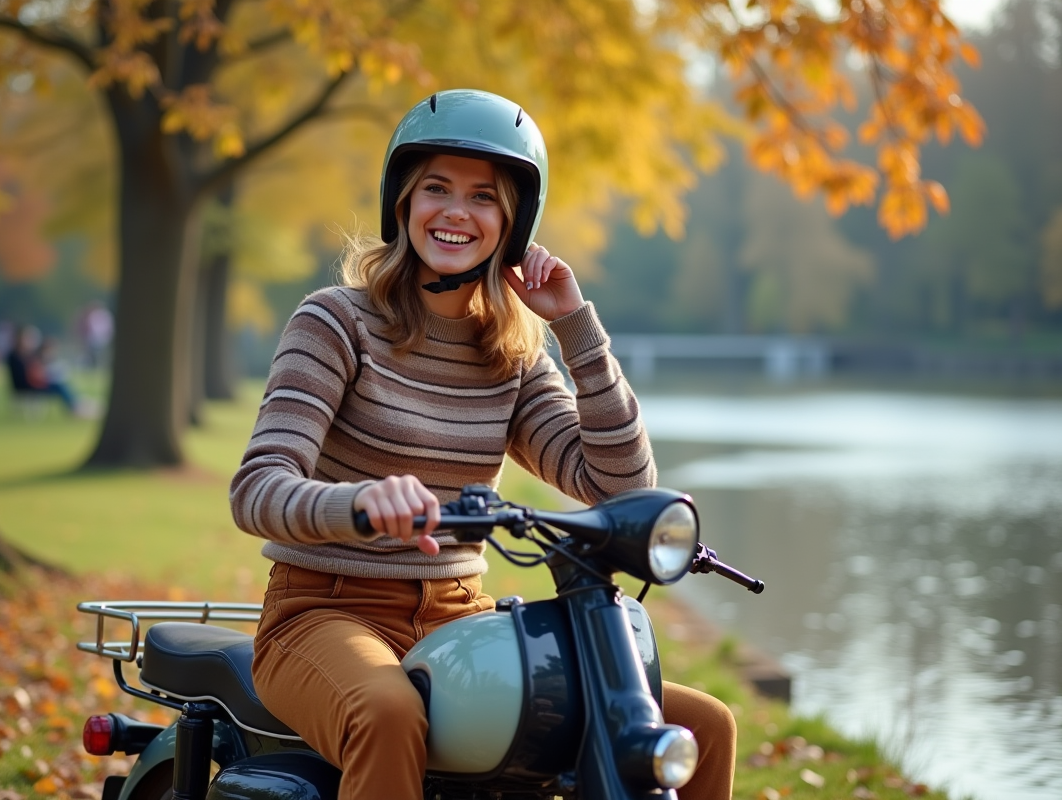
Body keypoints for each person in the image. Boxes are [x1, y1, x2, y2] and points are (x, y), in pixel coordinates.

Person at [229, 89, 736, 800]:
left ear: (513, 224)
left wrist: (575, 329)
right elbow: (257, 489)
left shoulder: (513, 355)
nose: (457, 212)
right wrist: (361, 503)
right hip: (321, 612)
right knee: (386, 713)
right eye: (436, 188)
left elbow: (621, 489)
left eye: (484, 197)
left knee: (699, 725)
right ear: (402, 203)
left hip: (457, 619)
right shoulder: (335, 322)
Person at [4, 325, 78, 414]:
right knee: (59, 386)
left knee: (59, 383)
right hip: (28, 386)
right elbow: (28, 375)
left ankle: (74, 404)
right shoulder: (17, 356)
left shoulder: (24, 354)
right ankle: (73, 406)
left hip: (31, 383)